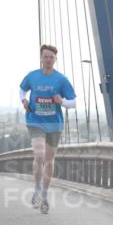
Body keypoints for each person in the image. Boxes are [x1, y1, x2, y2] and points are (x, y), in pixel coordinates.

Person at [19, 44, 76, 213]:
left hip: (54, 124)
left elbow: (73, 102)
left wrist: (62, 102)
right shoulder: (32, 76)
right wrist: (24, 101)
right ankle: (36, 188)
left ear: (55, 59)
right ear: (41, 58)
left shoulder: (61, 80)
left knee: (49, 160)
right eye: (46, 56)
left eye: (51, 57)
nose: (48, 59)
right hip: (35, 120)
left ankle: (44, 195)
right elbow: (22, 89)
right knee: (39, 155)